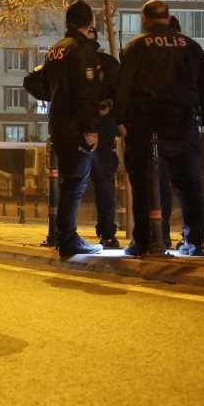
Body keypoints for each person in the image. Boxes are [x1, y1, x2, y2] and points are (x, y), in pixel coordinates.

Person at [114, 0, 204, 256]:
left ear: (144, 20)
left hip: (147, 125)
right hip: (184, 124)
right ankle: (195, 242)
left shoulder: (136, 47)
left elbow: (124, 87)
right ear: (169, 19)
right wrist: (202, 115)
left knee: (146, 183)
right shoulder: (191, 46)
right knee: (190, 184)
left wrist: (120, 120)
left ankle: (148, 240)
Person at [44, 0, 104, 260]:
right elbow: (85, 92)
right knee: (75, 183)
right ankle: (68, 239)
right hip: (75, 127)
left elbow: (44, 86)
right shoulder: (81, 49)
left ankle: (65, 236)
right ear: (89, 22)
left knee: (68, 181)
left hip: (58, 122)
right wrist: (91, 128)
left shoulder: (55, 49)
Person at [86, 26, 121, 248]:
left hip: (99, 130)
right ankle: (64, 232)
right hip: (87, 129)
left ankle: (106, 231)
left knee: (103, 184)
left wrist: (108, 106)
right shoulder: (68, 59)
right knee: (76, 184)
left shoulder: (107, 65)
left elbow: (120, 95)